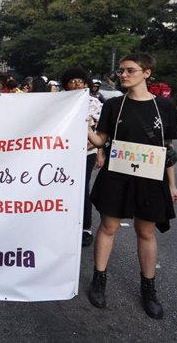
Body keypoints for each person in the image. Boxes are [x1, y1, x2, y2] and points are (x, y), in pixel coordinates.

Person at [86, 53, 177, 320]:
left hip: (151, 177)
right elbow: (100, 140)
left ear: (146, 73)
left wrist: (172, 185)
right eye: (121, 71)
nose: (124, 75)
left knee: (146, 231)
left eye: (130, 70)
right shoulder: (113, 105)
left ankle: (149, 289)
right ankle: (99, 280)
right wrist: (83, 126)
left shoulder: (165, 107)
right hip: (117, 175)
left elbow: (168, 149)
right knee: (109, 227)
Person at [60, 67, 102, 247]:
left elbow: (100, 132)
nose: (77, 84)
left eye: (80, 81)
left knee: (82, 190)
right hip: (62, 153)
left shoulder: (94, 103)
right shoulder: (58, 102)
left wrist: (98, 152)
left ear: (86, 84)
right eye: (72, 81)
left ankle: (85, 228)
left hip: (86, 153)